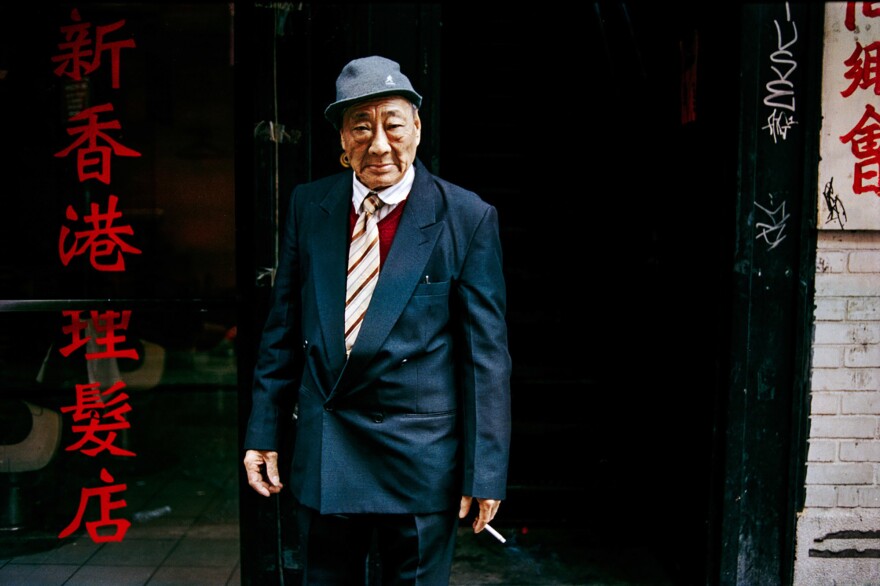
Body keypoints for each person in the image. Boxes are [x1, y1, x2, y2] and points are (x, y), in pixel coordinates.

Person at [242, 55, 512, 585]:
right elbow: (282, 331)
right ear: (343, 140)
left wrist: (485, 471)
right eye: (361, 127)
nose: (380, 145)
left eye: (393, 125)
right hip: (327, 450)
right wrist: (263, 431)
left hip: (419, 458)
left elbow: (486, 358)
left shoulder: (466, 216)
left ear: (417, 127)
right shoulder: (310, 205)